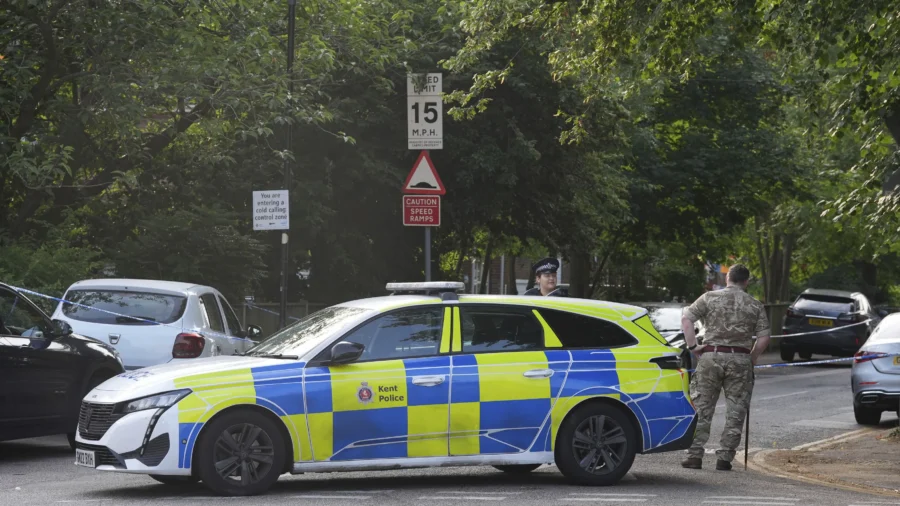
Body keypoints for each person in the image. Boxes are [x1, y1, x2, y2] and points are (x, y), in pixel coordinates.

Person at [680, 264, 770, 471]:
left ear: (727, 278)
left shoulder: (708, 298)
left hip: (711, 356)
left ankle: (694, 455)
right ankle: (725, 458)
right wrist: (753, 357)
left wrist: (693, 346)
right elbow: (764, 337)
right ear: (746, 282)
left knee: (702, 407)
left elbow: (686, 320)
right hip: (740, 359)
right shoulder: (755, 305)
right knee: (736, 409)